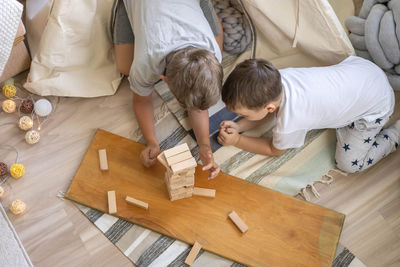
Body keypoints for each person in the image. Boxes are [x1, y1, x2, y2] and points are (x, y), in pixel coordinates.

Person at [217, 57, 399, 173]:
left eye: (241, 114)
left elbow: (274, 150)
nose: (236, 116)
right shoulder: (279, 78)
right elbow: (266, 111)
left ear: (270, 108)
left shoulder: (291, 122)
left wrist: (237, 141)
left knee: (349, 165)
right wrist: (240, 126)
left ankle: (396, 134)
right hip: (365, 69)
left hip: (376, 108)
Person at [112, 0, 223, 178]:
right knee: (125, 67)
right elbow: (141, 101)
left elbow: (199, 107)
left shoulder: (213, 53)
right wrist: (151, 142)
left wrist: (204, 145)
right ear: (163, 79)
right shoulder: (145, 63)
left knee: (220, 43)